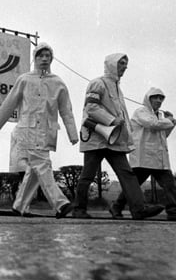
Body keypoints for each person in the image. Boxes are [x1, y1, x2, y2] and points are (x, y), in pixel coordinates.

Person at [66, 53, 164, 219]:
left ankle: (139, 210)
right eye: (121, 63)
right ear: (111, 64)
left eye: (126, 64)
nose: (125, 66)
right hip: (97, 138)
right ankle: (79, 209)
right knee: (88, 175)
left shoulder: (118, 88)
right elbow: (91, 108)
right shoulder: (97, 83)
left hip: (113, 139)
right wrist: (112, 120)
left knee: (127, 174)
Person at [0, 42, 78, 218]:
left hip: (47, 131)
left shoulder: (58, 83)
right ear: (35, 58)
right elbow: (10, 102)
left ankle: (19, 205)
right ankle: (61, 204)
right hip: (27, 131)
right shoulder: (24, 79)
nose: (44, 59)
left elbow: (66, 110)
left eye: (47, 56)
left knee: (35, 170)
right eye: (40, 55)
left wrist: (73, 133)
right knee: (42, 164)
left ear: (51, 59)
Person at [109, 88, 176, 219]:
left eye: (161, 98)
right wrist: (170, 120)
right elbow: (152, 124)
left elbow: (163, 135)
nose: (158, 100)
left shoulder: (160, 117)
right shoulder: (140, 112)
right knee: (132, 186)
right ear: (148, 98)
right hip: (143, 157)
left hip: (158, 158)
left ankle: (173, 211)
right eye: (155, 97)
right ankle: (116, 206)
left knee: (169, 184)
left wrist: (171, 124)